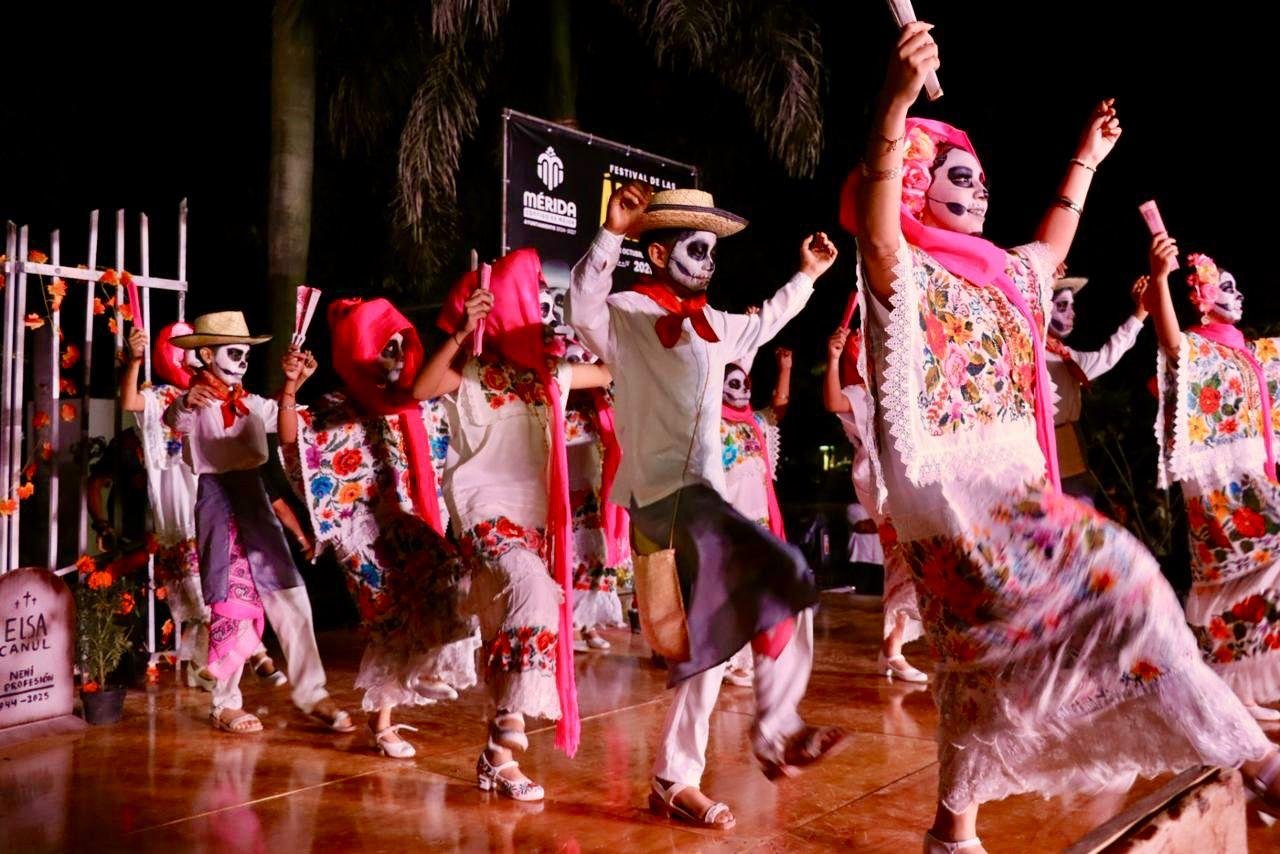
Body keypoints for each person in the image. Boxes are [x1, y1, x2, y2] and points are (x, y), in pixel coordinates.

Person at [847, 21, 1278, 851]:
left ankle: (952, 831)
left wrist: (1086, 157)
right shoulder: (904, 270)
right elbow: (874, 222)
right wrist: (894, 107)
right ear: (917, 185)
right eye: (958, 177)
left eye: (981, 179)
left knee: (977, 669)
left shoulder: (1007, 276)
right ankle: (1250, 755)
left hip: (1003, 489)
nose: (977, 192)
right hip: (956, 504)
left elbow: (1051, 241)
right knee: (1124, 576)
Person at [568, 184, 845, 831]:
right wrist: (611, 233)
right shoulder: (627, 314)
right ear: (657, 253)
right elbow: (580, 306)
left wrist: (807, 275)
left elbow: (765, 321)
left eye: (712, 250)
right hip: (662, 497)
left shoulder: (714, 323)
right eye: (697, 248)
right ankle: (778, 731)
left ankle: (675, 778)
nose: (709, 260)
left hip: (702, 497)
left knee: (718, 641)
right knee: (784, 571)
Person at [165, 311, 352, 735]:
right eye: (234, 352)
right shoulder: (195, 399)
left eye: (245, 353)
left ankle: (313, 693)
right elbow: (175, 419)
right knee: (233, 602)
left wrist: (292, 383)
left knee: (291, 593)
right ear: (207, 355)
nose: (242, 361)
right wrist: (184, 402)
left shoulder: (251, 404)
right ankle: (224, 704)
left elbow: (292, 426)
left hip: (255, 501)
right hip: (219, 502)